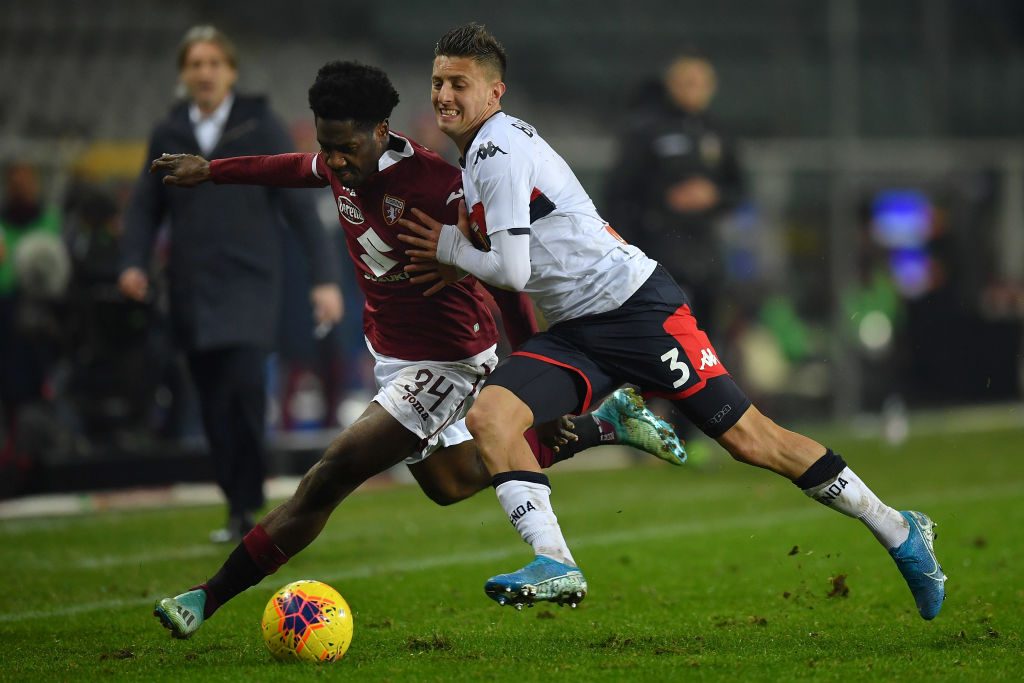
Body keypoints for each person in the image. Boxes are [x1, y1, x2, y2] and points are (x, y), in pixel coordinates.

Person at [398, 23, 946, 619]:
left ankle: (897, 529)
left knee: (751, 440)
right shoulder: (481, 154)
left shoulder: (499, 150)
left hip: (639, 311)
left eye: (459, 83)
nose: (444, 95)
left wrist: (449, 249)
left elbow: (509, 267)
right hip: (580, 329)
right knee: (492, 415)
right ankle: (555, 560)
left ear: (495, 92)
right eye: (436, 82)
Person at [149, 61, 685, 638]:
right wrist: (212, 172)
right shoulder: (340, 165)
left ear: (381, 130)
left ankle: (205, 598)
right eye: (326, 147)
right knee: (449, 483)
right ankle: (607, 424)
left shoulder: (437, 185)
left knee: (331, 475)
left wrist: (533, 373)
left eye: (344, 147)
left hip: (450, 359)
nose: (333, 161)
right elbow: (292, 168)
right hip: (396, 357)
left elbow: (506, 282)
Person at [119, 26, 344, 543]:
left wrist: (325, 280)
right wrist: (132, 262)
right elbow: (143, 209)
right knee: (211, 398)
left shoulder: (259, 124)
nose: (204, 73)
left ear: (231, 71)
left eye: (212, 63)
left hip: (250, 283)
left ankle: (249, 505)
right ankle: (236, 506)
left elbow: (300, 209)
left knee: (243, 389)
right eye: (195, 64)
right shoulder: (168, 132)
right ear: (184, 74)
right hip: (191, 287)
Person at [604, 51, 743, 342]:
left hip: (706, 251)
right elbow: (619, 191)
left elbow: (739, 188)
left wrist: (713, 196)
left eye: (700, 83)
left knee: (708, 336)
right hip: (657, 247)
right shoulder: (645, 129)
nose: (694, 89)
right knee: (662, 333)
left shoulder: (718, 132)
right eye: (686, 82)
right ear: (671, 84)